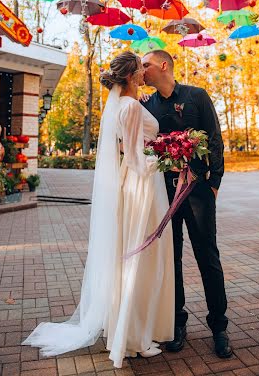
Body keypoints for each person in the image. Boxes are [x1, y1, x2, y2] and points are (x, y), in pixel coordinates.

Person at [22, 51, 174, 368]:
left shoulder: (125, 104)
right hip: (141, 187)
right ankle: (132, 338)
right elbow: (134, 158)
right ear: (132, 76)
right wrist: (169, 160)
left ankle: (132, 330)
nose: (146, 73)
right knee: (139, 261)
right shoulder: (130, 106)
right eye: (141, 70)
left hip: (137, 183)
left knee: (137, 258)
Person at [141, 49, 232, 359]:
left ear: (163, 65)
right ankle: (177, 324)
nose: (142, 71)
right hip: (163, 194)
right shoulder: (146, 105)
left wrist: (215, 183)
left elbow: (216, 139)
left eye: (146, 65)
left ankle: (219, 326)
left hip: (198, 193)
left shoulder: (197, 96)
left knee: (208, 256)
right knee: (172, 259)